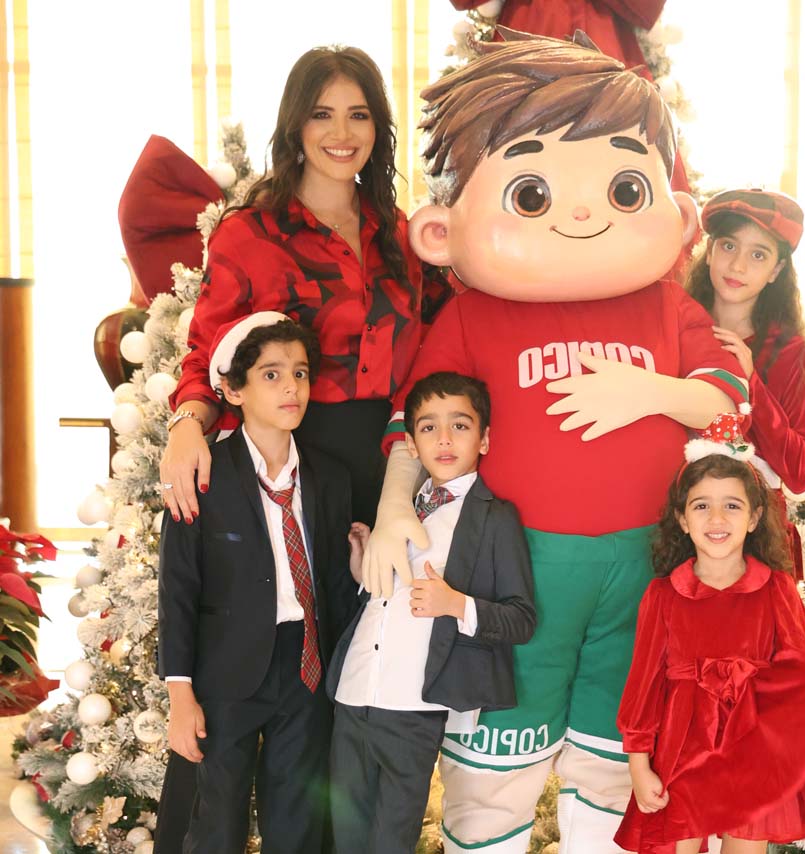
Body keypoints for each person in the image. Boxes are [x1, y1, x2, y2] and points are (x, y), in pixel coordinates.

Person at [360, 30, 748, 854]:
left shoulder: (665, 308)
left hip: (642, 564)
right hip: (516, 567)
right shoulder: (472, 316)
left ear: (678, 217)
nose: (580, 212)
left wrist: (647, 392)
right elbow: (416, 422)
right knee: (501, 746)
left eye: (622, 188)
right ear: (441, 232)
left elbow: (725, 397)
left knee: (615, 743)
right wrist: (395, 507)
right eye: (532, 192)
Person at [154, 45, 449, 850]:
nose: (341, 132)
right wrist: (187, 422)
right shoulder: (251, 233)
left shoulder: (402, 236)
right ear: (295, 124)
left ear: (379, 129)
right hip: (288, 455)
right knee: (248, 660)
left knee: (339, 688)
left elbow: (436, 353)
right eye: (322, 113)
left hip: (385, 465)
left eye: (359, 114)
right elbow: (210, 349)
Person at [615, 413, 805, 853]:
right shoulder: (664, 595)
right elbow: (644, 685)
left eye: (732, 505)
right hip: (681, 747)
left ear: (754, 518)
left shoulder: (774, 589)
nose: (717, 517)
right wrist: (639, 764)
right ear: (682, 519)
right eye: (701, 506)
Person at [157, 313, 360, 854]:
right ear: (233, 390)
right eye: (271, 375)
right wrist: (181, 694)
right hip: (227, 671)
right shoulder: (204, 475)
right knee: (216, 821)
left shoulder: (330, 478)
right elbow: (178, 589)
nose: (291, 387)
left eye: (300, 372)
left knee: (297, 820)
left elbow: (335, 586)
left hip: (306, 669)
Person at [326, 371, 536, 854]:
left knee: (390, 838)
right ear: (411, 444)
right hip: (353, 691)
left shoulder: (494, 517)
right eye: (428, 427)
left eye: (459, 426)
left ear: (484, 439)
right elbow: (387, 600)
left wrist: (455, 604)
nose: (443, 439)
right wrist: (363, 570)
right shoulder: (396, 508)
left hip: (413, 707)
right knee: (346, 836)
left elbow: (522, 619)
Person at [687, 189, 805, 572]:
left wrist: (751, 384)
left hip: (756, 549)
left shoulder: (792, 352)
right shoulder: (675, 332)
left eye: (758, 255)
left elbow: (801, 473)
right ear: (710, 251)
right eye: (729, 246)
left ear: (776, 270)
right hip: (674, 536)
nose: (738, 265)